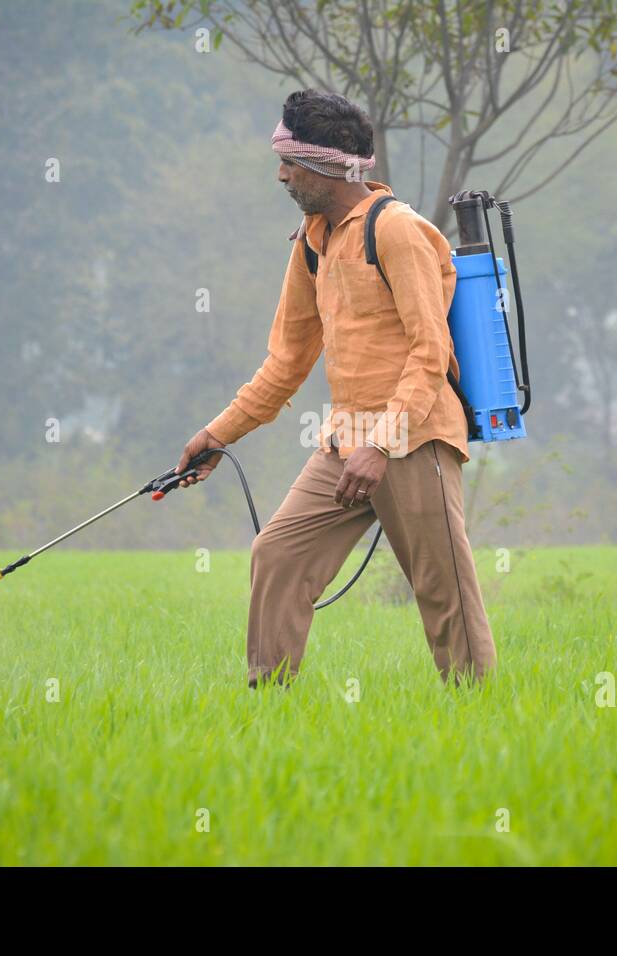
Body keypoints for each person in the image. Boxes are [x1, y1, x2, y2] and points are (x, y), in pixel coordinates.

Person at [175, 89, 497, 689]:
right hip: (346, 438)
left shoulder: (397, 231)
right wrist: (217, 436)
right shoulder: (313, 242)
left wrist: (381, 444)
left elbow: (430, 353)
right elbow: (286, 363)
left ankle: (478, 714)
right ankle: (267, 704)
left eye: (289, 162)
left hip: (414, 435)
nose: (281, 175)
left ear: (326, 164)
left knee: (442, 588)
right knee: (278, 555)